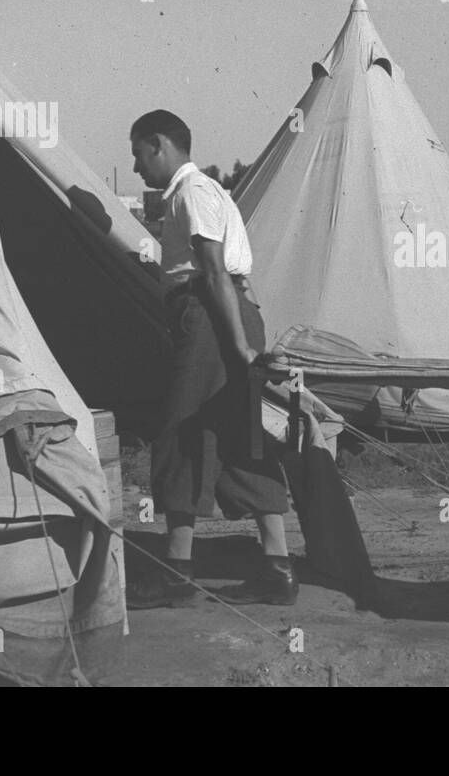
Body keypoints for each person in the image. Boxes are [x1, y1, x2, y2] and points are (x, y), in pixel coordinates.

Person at [127, 109, 297, 608]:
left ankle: (177, 574)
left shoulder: (191, 192)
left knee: (182, 433)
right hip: (228, 314)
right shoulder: (213, 192)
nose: (137, 168)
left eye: (138, 154)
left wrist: (241, 346)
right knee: (239, 438)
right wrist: (245, 329)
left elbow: (214, 270)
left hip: (208, 316)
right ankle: (277, 569)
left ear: (158, 144)